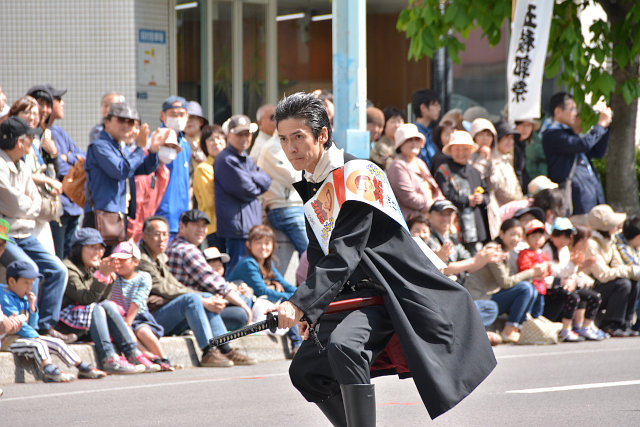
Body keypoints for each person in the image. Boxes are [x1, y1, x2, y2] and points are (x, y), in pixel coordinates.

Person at [271, 92, 495, 424]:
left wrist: (299, 303)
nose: (290, 148)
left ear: (322, 135)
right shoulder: (312, 181)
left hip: (387, 294)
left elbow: (343, 255)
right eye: (283, 139)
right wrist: (311, 310)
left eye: (298, 137)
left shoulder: (356, 176)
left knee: (345, 347)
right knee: (306, 370)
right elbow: (319, 253)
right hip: (351, 296)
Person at [137, 215, 256, 367]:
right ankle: (208, 352)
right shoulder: (141, 259)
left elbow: (175, 285)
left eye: (165, 234)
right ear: (144, 236)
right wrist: (202, 300)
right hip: (149, 321)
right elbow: (164, 288)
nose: (162, 239)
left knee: (203, 297)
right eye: (156, 234)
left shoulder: (159, 257)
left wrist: (205, 299)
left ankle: (225, 348)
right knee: (193, 299)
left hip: (166, 311)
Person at [0, 117, 73, 343]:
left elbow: (33, 202)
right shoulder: (1, 165)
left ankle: (45, 325)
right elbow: (15, 204)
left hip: (25, 233)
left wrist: (26, 205)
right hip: (6, 235)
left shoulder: (22, 164)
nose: (32, 142)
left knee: (58, 270)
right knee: (31, 269)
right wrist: (28, 205)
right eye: (30, 138)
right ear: (20, 141)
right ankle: (22, 327)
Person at [1, 261, 106, 382]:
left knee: (57, 342)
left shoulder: (24, 297)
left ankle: (81, 366)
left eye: (31, 283)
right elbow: (19, 327)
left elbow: (33, 326)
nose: (29, 287)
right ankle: (48, 369)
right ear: (12, 281)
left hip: (25, 336)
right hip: (7, 339)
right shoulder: (5, 297)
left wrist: (32, 308)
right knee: (38, 344)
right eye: (25, 283)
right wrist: (36, 337)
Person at [59, 228, 146, 374]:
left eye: (100, 248)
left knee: (107, 305)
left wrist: (109, 277)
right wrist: (102, 276)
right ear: (79, 249)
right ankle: (108, 358)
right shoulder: (68, 269)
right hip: (65, 325)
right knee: (97, 308)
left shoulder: (92, 267)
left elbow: (103, 300)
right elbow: (86, 300)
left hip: (86, 321)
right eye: (92, 247)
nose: (98, 253)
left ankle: (132, 353)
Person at [83, 102, 162, 244]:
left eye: (131, 122)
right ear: (107, 122)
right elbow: (121, 170)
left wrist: (153, 150)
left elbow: (143, 168)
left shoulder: (120, 147)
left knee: (115, 263)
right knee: (97, 262)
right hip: (100, 215)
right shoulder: (100, 146)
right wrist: (140, 147)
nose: (126, 125)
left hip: (117, 215)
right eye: (121, 120)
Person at [165, 209, 253, 331]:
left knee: (241, 295)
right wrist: (245, 307)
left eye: (204, 225)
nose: (201, 229)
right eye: (196, 225)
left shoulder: (174, 245)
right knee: (241, 313)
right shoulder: (187, 249)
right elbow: (216, 283)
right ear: (182, 226)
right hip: (188, 311)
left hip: (182, 307)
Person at [227, 224, 303, 357]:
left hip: (258, 307)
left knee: (290, 302)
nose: (263, 247)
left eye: (267, 243)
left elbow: (286, 285)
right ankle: (297, 344)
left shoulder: (268, 264)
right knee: (287, 303)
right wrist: (293, 298)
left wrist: (303, 295)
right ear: (249, 244)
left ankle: (299, 344)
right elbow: (263, 291)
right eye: (258, 243)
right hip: (241, 308)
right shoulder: (248, 263)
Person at [465, 218, 544, 343]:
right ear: (502, 234)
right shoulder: (493, 250)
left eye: (519, 235)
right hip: (481, 297)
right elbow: (506, 282)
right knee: (525, 288)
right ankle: (509, 330)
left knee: (531, 288)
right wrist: (531, 272)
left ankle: (516, 328)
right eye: (513, 234)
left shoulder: (509, 252)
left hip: (493, 294)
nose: (516, 239)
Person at [214, 114, 272, 272]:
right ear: (228, 135)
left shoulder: (245, 158)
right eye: (239, 134)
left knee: (252, 271)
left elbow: (267, 181)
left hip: (251, 227)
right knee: (237, 273)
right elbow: (248, 190)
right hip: (237, 230)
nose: (244, 138)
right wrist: (254, 177)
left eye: (247, 134)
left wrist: (250, 176)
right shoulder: (225, 159)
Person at [542, 92, 612, 216]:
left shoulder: (568, 133)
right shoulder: (552, 135)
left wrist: (606, 127)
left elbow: (597, 152)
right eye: (572, 109)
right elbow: (583, 144)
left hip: (591, 195)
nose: (575, 113)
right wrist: (600, 125)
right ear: (558, 111)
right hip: (576, 200)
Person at [109, 241, 170, 372]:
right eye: (116, 259)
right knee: (128, 333)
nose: (118, 263)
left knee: (143, 331)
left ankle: (163, 358)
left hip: (139, 317)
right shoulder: (113, 278)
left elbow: (137, 300)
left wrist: (128, 322)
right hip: (120, 318)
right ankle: (148, 357)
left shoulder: (144, 277)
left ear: (135, 262)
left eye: (123, 260)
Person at [542, 219, 606, 341]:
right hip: (552, 287)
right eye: (558, 236)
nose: (562, 240)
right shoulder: (547, 250)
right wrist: (571, 267)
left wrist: (573, 274)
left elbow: (569, 272)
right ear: (552, 236)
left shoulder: (565, 250)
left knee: (595, 296)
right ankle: (566, 330)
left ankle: (585, 327)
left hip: (565, 284)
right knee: (573, 297)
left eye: (566, 237)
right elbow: (552, 272)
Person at [583, 205, 640, 337]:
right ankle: (611, 324)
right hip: (593, 287)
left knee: (633, 282)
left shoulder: (610, 242)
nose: (617, 227)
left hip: (606, 284)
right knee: (623, 284)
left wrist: (631, 272)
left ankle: (625, 322)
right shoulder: (592, 244)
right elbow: (603, 275)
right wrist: (631, 270)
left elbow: (617, 265)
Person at [44, 85, 86, 258]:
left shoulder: (59, 132)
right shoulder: (40, 134)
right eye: (58, 99)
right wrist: (61, 157)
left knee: (69, 259)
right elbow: (56, 168)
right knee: (57, 260)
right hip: (56, 206)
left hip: (73, 205)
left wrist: (67, 157)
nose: (63, 103)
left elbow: (83, 158)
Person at [256, 121, 308, 255]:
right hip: (283, 208)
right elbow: (293, 178)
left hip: (296, 206)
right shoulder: (272, 147)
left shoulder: (286, 145)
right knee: (311, 253)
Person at [434, 130, 490, 254]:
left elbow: (487, 194)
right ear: (451, 150)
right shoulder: (444, 170)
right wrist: (466, 200)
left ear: (471, 150)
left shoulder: (475, 172)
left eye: (465, 149)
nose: (461, 153)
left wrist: (481, 199)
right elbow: (445, 195)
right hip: (454, 226)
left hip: (476, 226)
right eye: (457, 149)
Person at [387, 123, 443, 220]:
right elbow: (409, 198)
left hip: (430, 215)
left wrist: (441, 203)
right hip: (411, 220)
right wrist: (432, 206)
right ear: (400, 144)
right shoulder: (397, 166)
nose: (414, 143)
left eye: (417, 139)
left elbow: (435, 189)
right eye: (409, 140)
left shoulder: (420, 162)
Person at [154, 96, 192, 238]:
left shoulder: (185, 144)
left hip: (183, 218)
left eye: (181, 115)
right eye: (173, 114)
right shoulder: (157, 141)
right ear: (162, 115)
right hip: (162, 215)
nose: (177, 118)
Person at [194, 124, 227, 250]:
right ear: (204, 145)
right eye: (211, 139)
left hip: (231, 227)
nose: (216, 142)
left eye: (219, 138)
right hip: (214, 227)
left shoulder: (230, 164)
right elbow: (210, 201)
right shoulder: (204, 168)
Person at [516, 220, 552, 321]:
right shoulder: (525, 253)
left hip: (541, 289)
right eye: (533, 236)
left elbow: (550, 271)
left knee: (538, 312)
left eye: (540, 236)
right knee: (527, 312)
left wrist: (547, 269)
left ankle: (535, 331)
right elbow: (524, 268)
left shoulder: (544, 254)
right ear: (526, 239)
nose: (537, 240)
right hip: (531, 287)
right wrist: (537, 268)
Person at [614, 215, 640, 332]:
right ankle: (625, 322)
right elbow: (631, 264)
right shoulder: (619, 243)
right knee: (634, 284)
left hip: (629, 276)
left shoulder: (633, 244)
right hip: (618, 279)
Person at [411, 89, 441, 169]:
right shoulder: (413, 133)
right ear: (423, 108)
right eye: (434, 105)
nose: (439, 109)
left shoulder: (434, 132)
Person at [369, 106, 405, 170]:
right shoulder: (380, 146)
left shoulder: (407, 144)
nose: (397, 125)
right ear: (384, 125)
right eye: (393, 122)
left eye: (399, 121)